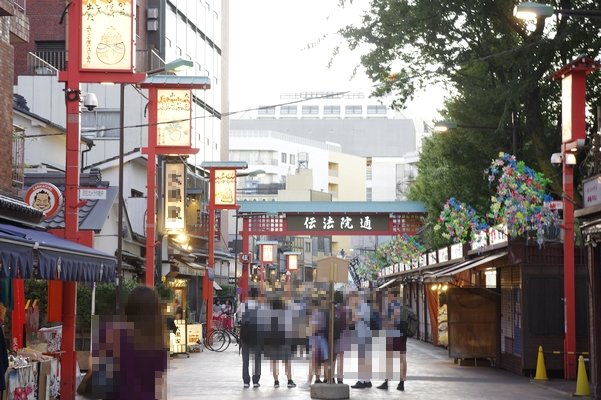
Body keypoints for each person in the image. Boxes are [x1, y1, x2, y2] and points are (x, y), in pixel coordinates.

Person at [79, 285, 168, 399]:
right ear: (156, 311)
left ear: (129, 306)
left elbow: (94, 365)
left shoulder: (110, 331)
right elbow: (159, 384)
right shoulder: (157, 341)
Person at [377, 289, 407, 391]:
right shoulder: (401, 306)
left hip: (393, 334)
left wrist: (386, 322)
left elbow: (391, 320)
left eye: (388, 296)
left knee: (389, 359)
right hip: (402, 334)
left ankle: (386, 382)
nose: (386, 298)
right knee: (402, 358)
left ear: (392, 296)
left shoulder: (393, 306)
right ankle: (401, 382)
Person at [238, 287, 263, 388]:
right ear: (257, 296)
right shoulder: (261, 306)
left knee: (245, 359)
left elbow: (238, 317)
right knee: (256, 358)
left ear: (248, 295)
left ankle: (246, 381)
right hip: (257, 334)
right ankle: (256, 380)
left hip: (245, 334)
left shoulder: (243, 305)